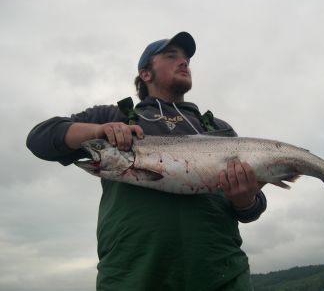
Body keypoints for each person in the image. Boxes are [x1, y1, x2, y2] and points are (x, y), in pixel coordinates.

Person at [26, 32, 267, 291]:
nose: (184, 62)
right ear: (145, 74)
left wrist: (246, 200)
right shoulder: (114, 116)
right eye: (171, 56)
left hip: (222, 277)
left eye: (186, 58)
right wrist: (97, 131)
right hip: (131, 277)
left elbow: (252, 209)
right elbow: (39, 138)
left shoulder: (219, 130)